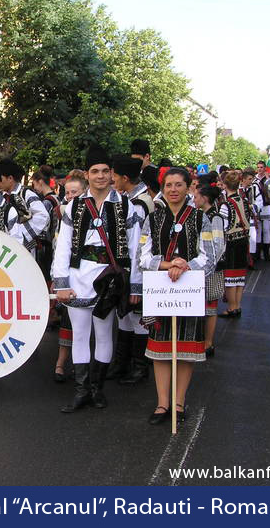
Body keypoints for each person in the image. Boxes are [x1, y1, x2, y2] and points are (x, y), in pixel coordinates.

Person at [53, 145, 142, 413]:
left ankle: (97, 389)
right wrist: (62, 284)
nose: (101, 176)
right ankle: (81, 392)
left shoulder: (127, 206)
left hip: (109, 280)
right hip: (79, 278)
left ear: (112, 175)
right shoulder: (73, 206)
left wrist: (135, 286)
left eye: (105, 171)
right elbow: (63, 246)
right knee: (80, 335)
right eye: (95, 171)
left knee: (104, 335)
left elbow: (136, 248)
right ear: (87, 175)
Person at [138, 168, 215, 424]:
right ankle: (162, 404)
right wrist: (167, 264)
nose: (173, 190)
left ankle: (179, 403)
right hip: (160, 289)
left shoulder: (200, 218)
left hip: (188, 289)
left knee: (184, 348)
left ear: (188, 187)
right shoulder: (153, 218)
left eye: (178, 185)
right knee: (161, 347)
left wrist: (185, 264)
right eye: (168, 185)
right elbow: (143, 255)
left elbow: (209, 254)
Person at [109, 154, 156, 385]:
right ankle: (122, 364)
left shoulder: (139, 203)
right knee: (125, 315)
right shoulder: (132, 198)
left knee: (138, 317)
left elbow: (139, 245)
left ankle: (139, 367)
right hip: (127, 268)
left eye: (114, 176)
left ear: (125, 178)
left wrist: (137, 283)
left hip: (139, 268)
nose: (111, 180)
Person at [52, 169, 87, 383]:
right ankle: (60, 364)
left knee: (85, 329)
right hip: (66, 277)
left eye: (75, 192)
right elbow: (59, 247)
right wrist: (58, 279)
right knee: (67, 323)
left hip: (85, 277)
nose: (70, 196)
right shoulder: (65, 214)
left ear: (84, 192)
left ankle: (80, 368)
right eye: (67, 192)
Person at [194, 176, 226, 357]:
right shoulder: (201, 215)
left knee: (210, 306)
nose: (194, 199)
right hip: (201, 266)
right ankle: (201, 339)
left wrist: (208, 266)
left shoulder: (215, 217)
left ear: (205, 198)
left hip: (211, 268)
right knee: (202, 305)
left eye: (197, 196)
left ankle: (208, 342)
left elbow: (218, 245)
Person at [0, 158, 49, 256]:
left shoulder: (26, 194)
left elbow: (43, 216)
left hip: (25, 250)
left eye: (1, 178)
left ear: (10, 178)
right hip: (4, 248)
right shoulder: (0, 196)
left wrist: (20, 234)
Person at [219, 171, 250, 318]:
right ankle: (237, 305)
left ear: (225, 185)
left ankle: (231, 307)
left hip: (231, 243)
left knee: (230, 277)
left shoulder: (226, 204)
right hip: (243, 240)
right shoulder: (243, 200)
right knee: (240, 275)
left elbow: (223, 227)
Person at [31, 165, 61, 283]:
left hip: (46, 245)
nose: (34, 187)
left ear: (40, 182)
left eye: (34, 183)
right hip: (55, 241)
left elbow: (41, 227)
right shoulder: (56, 197)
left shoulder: (46, 202)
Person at [254, 161, 270, 261]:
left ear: (265, 168)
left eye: (262, 167)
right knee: (258, 230)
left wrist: (268, 178)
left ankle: (266, 253)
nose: (260, 169)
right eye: (258, 167)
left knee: (266, 230)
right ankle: (258, 253)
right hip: (257, 206)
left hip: (266, 206)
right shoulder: (254, 179)